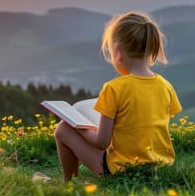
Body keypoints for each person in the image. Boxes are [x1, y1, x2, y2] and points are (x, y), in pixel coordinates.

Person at [54, 11, 182, 180]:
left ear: (118, 53)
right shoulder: (165, 86)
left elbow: (102, 143)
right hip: (160, 167)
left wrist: (81, 127)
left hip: (123, 171)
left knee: (62, 129)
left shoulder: (114, 88)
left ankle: (68, 182)